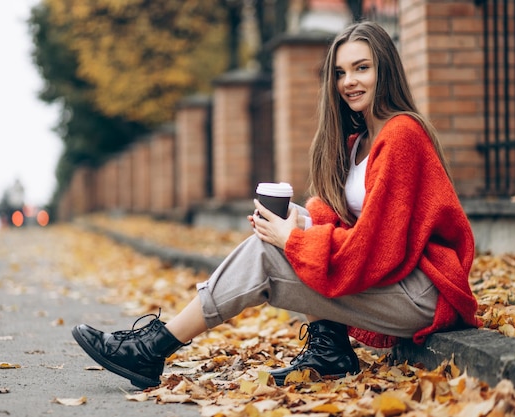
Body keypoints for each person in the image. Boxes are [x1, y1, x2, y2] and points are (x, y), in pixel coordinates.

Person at [71, 21, 480, 389]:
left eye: (361, 68)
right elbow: (349, 227)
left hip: (423, 295)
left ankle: (155, 346)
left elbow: (374, 252)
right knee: (286, 234)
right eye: (340, 72)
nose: (348, 82)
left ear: (384, 71)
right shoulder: (359, 144)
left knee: (272, 253)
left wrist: (294, 239)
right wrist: (299, 221)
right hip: (396, 282)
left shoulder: (402, 135)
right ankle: (329, 351)